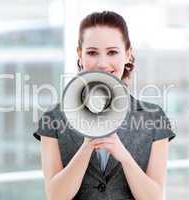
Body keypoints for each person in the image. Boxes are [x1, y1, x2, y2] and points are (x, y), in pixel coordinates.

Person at [33, 11, 176, 200]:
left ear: (127, 54)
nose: (102, 63)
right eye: (92, 53)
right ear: (80, 55)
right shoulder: (54, 119)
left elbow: (155, 197)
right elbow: (56, 196)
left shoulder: (153, 117)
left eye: (112, 52)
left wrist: (123, 155)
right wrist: (86, 147)